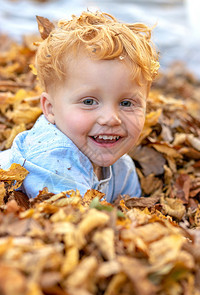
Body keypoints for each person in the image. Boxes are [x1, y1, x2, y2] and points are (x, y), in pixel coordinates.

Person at [0, 11, 159, 202]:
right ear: (50, 108)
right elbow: (72, 222)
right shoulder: (53, 159)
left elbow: (136, 213)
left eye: (126, 103)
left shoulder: (122, 168)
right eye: (89, 102)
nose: (111, 118)